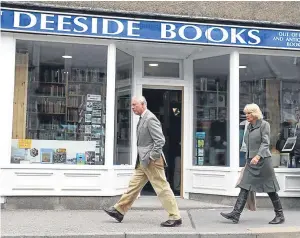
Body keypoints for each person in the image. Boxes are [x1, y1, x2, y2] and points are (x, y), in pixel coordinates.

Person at [104, 96, 182, 227]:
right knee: (133, 186)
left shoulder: (150, 118)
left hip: (152, 161)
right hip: (143, 160)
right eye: (132, 105)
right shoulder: (142, 119)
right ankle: (119, 210)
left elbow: (160, 141)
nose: (132, 107)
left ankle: (175, 216)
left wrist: (152, 156)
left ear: (143, 104)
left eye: (134, 105)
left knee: (162, 188)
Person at [220, 103, 285, 224]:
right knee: (244, 185)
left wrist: (258, 156)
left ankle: (280, 215)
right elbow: (247, 143)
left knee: (270, 188)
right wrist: (249, 158)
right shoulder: (249, 126)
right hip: (251, 161)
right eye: (246, 113)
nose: (247, 116)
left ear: (255, 113)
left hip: (263, 161)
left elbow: (265, 143)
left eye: (249, 113)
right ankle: (236, 213)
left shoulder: (264, 125)